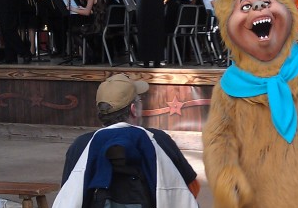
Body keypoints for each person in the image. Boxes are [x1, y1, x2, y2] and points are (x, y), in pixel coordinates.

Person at [62, 73, 200, 199]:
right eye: (139, 100)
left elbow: (67, 196)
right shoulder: (158, 139)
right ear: (134, 109)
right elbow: (191, 189)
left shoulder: (80, 145)